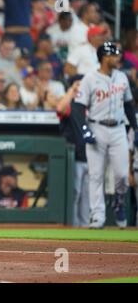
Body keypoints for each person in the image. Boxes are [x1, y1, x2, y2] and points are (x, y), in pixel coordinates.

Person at [73, 42, 138, 229]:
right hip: (97, 127)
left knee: (122, 175)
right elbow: (77, 107)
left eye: (117, 54)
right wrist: (84, 130)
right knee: (95, 175)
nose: (117, 58)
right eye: (113, 54)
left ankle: (119, 202)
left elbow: (128, 105)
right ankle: (97, 215)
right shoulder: (90, 78)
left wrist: (135, 126)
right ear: (103, 57)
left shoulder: (122, 78)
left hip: (118, 129)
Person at [56, 75, 90, 226]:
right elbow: (60, 108)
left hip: (92, 156)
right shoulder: (72, 103)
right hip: (75, 156)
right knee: (75, 193)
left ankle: (86, 226)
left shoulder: (90, 103)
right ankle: (74, 227)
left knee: (88, 196)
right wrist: (72, 89)